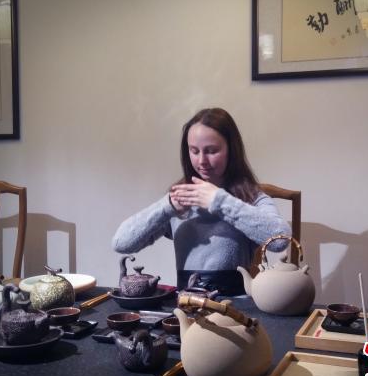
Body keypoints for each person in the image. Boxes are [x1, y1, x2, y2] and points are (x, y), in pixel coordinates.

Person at [112, 107, 291, 295]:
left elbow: (280, 241)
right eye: (194, 151)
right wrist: (166, 207)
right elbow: (121, 243)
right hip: (187, 304)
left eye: (211, 151)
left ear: (231, 150)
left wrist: (219, 202)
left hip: (234, 306)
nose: (201, 160)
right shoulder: (182, 196)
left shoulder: (250, 197)